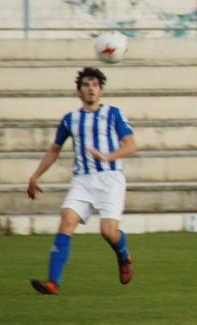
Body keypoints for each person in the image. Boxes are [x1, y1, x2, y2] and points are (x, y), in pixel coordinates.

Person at [27, 67, 136, 294]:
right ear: (79, 91)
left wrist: (108, 156)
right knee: (66, 220)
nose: (91, 89)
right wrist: (35, 176)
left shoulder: (114, 114)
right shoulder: (70, 119)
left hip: (110, 179)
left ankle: (123, 255)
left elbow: (131, 145)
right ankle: (52, 282)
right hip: (83, 180)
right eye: (86, 85)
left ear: (101, 91)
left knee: (108, 231)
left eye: (95, 85)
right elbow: (54, 150)